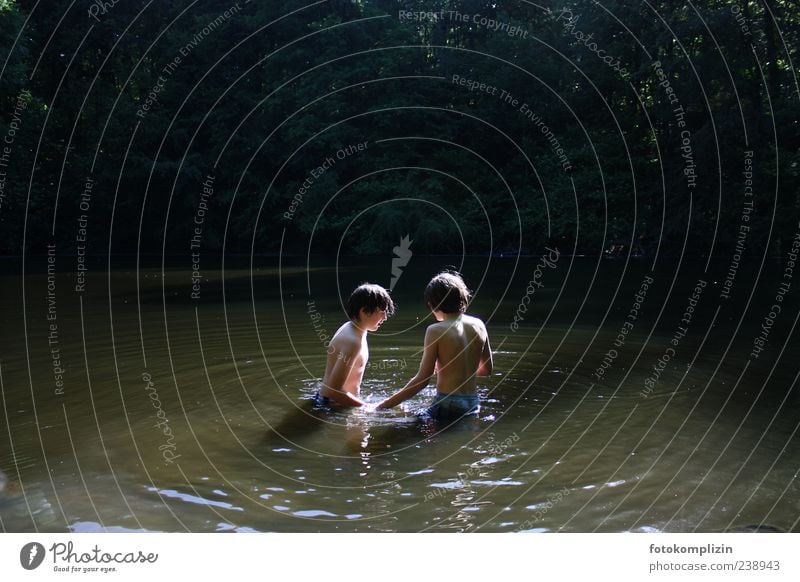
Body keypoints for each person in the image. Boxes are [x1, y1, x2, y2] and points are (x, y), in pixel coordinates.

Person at [375, 271, 492, 418]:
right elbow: (486, 370)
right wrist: (458, 370)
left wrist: (383, 405)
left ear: (433, 304)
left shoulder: (436, 330)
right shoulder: (479, 324)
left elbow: (421, 380)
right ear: (462, 298)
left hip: (447, 402)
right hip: (473, 403)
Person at [314, 283, 394, 408]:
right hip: (331, 406)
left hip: (335, 401)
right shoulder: (353, 342)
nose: (385, 318)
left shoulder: (355, 329)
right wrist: (368, 407)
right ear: (364, 311)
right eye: (382, 312)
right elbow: (333, 390)